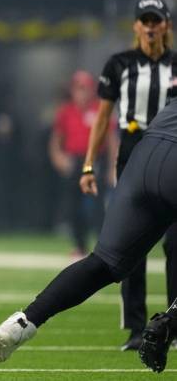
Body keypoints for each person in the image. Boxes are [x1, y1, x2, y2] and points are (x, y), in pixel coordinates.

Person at [0, 0, 177, 370]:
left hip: (143, 155)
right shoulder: (125, 64)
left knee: (103, 262)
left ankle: (26, 320)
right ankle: (168, 323)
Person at [78, 0, 177, 351]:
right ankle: (136, 328)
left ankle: (172, 323)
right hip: (134, 154)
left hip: (173, 155)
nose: (150, 26)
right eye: (144, 20)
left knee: (176, 244)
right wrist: (89, 165)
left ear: (166, 25)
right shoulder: (119, 64)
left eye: (156, 20)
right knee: (129, 246)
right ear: (136, 25)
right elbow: (103, 118)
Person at [49, 71, 115, 257]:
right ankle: (79, 246)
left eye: (84, 89)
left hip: (94, 160)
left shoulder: (100, 109)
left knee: (97, 204)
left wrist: (112, 167)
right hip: (74, 160)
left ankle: (103, 246)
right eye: (78, 89)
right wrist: (59, 158)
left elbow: (111, 140)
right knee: (72, 205)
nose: (82, 93)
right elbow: (56, 139)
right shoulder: (66, 111)